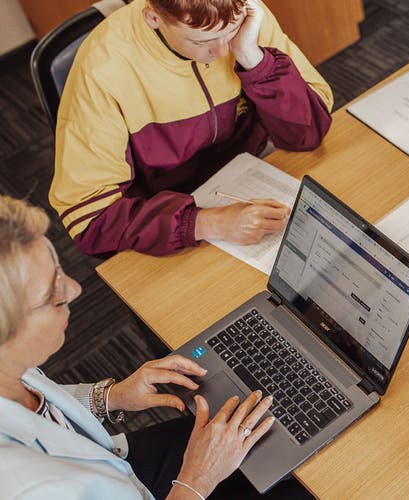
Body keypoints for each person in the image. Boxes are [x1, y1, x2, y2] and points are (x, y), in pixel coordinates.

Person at [0, 195, 311, 498]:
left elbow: (42, 409)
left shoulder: (8, 369)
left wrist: (111, 396)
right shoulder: (27, 486)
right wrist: (196, 481)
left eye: (59, 270)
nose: (75, 289)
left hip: (117, 465)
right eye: (51, 293)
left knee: (270, 443)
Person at [50, 0, 334, 257]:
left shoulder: (244, 12)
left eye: (231, 32)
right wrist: (209, 222)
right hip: (162, 218)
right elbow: (90, 220)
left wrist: (252, 58)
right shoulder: (102, 69)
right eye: (202, 41)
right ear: (153, 17)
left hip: (247, 170)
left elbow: (307, 134)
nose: (223, 51)